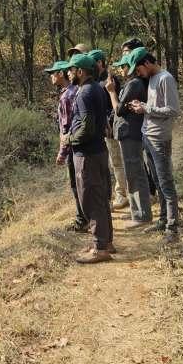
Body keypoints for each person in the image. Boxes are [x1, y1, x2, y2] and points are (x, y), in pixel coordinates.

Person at [61, 53, 114, 263]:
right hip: (99, 151)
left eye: (71, 70)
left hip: (88, 155)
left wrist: (69, 138)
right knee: (101, 198)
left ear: (81, 72)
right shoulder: (98, 89)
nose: (68, 73)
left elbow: (87, 127)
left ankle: (100, 248)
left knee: (91, 200)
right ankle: (106, 242)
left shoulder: (84, 93)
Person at [128, 48, 182, 244]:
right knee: (157, 182)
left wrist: (146, 108)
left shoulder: (165, 78)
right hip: (148, 136)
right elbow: (154, 107)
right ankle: (162, 220)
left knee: (166, 184)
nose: (137, 74)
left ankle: (172, 229)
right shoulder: (152, 78)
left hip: (160, 139)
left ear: (147, 63)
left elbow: (173, 110)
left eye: (138, 69)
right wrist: (141, 106)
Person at [107, 42, 153, 227]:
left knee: (135, 173)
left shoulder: (134, 84)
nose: (122, 70)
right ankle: (139, 213)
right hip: (129, 134)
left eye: (123, 66)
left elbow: (118, 109)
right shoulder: (134, 83)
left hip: (131, 134)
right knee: (133, 172)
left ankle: (141, 215)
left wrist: (111, 92)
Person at [46, 60, 87, 232]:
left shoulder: (66, 96)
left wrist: (62, 153)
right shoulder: (75, 91)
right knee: (81, 182)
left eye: (53, 73)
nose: (51, 76)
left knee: (75, 184)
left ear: (61, 74)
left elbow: (66, 127)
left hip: (72, 147)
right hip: (80, 145)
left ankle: (82, 219)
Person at [89, 48, 129, 211]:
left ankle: (122, 195)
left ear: (99, 62)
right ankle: (118, 193)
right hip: (103, 129)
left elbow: (115, 104)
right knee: (111, 163)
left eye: (92, 63)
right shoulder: (96, 80)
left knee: (118, 162)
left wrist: (109, 124)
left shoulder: (109, 79)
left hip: (112, 128)